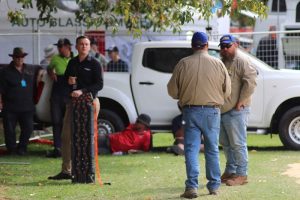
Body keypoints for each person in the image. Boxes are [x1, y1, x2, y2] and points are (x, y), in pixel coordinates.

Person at [167, 32, 231, 198]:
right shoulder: (218, 64)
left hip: (190, 111)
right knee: (212, 149)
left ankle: (192, 187)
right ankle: (214, 186)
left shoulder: (183, 64)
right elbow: (228, 91)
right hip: (212, 111)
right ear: (207, 45)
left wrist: (183, 95)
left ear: (192, 46)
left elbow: (172, 91)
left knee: (191, 149)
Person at [48, 36, 103, 180]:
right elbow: (66, 83)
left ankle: (86, 172)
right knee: (66, 136)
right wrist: (69, 82)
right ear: (77, 47)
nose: (84, 46)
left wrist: (82, 91)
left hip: (90, 103)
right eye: (81, 44)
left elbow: (99, 85)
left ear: (89, 47)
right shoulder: (72, 62)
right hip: (73, 104)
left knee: (86, 136)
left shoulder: (95, 64)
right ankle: (66, 170)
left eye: (87, 44)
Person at [218, 34, 257, 186]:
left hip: (237, 110)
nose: (225, 49)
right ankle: (231, 171)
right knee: (226, 143)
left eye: (228, 46)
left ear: (236, 44)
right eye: (222, 46)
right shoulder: (223, 61)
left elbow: (251, 82)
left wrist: (241, 101)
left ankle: (242, 174)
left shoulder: (242, 60)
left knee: (238, 143)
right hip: (224, 109)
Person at [0, 48, 40, 155]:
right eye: (17, 57)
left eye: (22, 57)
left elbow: (41, 69)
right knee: (9, 130)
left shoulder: (30, 69)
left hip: (27, 106)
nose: (20, 59)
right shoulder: (5, 71)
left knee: (28, 128)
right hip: (10, 106)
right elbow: (1, 88)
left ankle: (22, 148)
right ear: (13, 58)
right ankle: (12, 149)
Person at [46, 38, 73, 158]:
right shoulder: (55, 59)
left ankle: (69, 147)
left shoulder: (75, 59)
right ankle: (57, 148)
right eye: (58, 47)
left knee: (68, 122)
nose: (59, 49)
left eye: (61, 46)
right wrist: (51, 73)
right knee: (56, 122)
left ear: (68, 47)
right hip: (57, 93)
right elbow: (48, 68)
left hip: (69, 93)